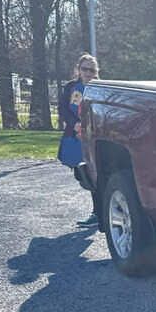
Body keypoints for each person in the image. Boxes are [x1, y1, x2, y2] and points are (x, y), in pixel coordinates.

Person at [58, 53, 99, 226]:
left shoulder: (99, 87)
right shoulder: (71, 86)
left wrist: (86, 125)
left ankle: (97, 213)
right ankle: (99, 212)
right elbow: (62, 108)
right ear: (78, 69)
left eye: (92, 69)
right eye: (85, 69)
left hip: (93, 138)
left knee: (93, 176)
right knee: (81, 175)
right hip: (73, 136)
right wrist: (74, 123)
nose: (88, 73)